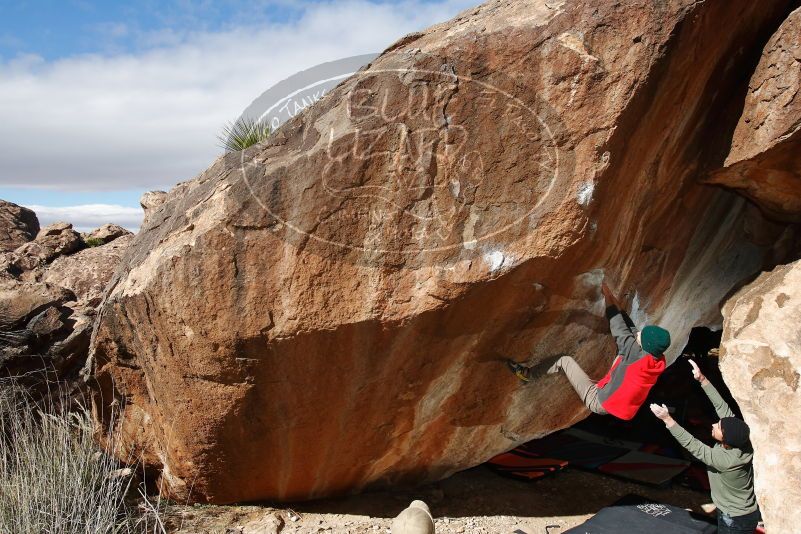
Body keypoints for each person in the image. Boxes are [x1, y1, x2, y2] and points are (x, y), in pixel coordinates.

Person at [507, 282, 671, 420]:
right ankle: (606, 385)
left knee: (565, 361)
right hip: (615, 401)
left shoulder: (634, 354)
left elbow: (618, 325)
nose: (639, 334)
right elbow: (633, 331)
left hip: (598, 400)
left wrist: (607, 294)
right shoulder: (656, 358)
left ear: (645, 345)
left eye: (642, 336)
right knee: (621, 357)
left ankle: (528, 375)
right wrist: (616, 303)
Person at [650, 360, 760, 534]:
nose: (714, 424)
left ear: (726, 442)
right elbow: (722, 407)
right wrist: (703, 380)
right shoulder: (742, 440)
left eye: (718, 427)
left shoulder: (725, 460)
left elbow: (693, 445)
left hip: (734, 518)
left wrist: (667, 419)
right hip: (742, 512)